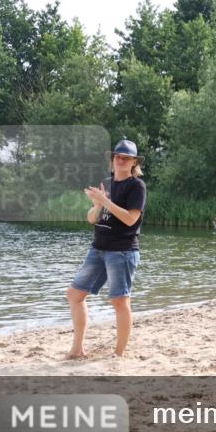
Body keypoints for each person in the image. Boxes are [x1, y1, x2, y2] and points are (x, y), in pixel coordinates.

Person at [66, 139, 147, 359]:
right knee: (74, 295)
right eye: (118, 156)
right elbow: (92, 219)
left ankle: (118, 354)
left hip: (122, 250)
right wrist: (98, 205)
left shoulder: (136, 186)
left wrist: (106, 201)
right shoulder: (106, 183)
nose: (121, 160)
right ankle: (77, 349)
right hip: (98, 249)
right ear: (113, 159)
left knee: (119, 300)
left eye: (126, 157)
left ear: (133, 162)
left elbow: (131, 219)